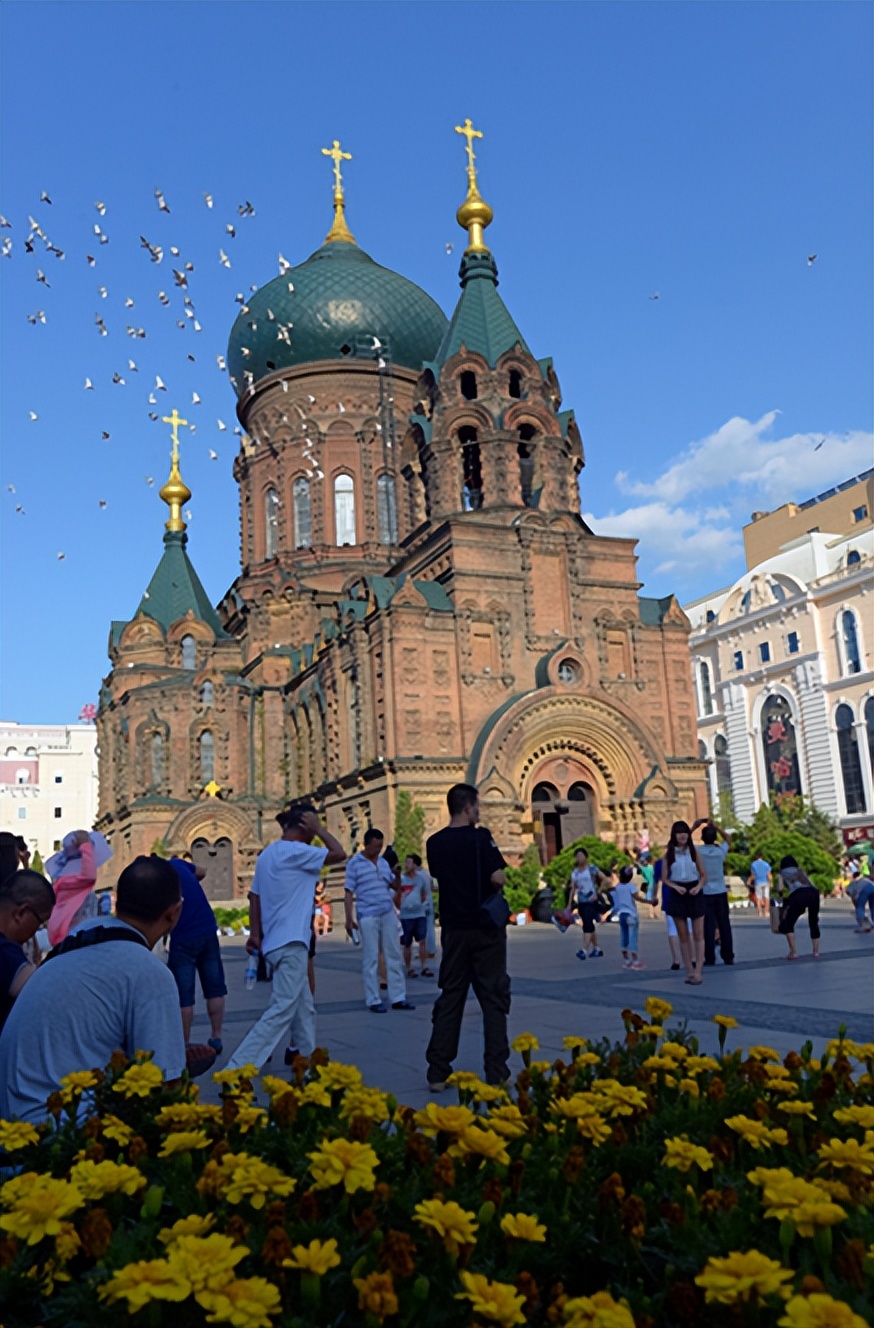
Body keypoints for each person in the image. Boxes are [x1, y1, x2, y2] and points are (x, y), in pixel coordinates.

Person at [0, 856, 198, 1122]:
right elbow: (165, 1086)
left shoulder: (77, 940)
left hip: (13, 1119)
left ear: (117, 900)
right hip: (60, 1133)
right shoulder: (149, 972)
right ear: (174, 912)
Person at [227, 804, 346, 1070]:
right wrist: (321, 830)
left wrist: (255, 935)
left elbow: (254, 896)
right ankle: (237, 1069)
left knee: (304, 1009)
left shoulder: (268, 855)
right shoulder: (296, 851)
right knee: (281, 1009)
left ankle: (308, 1063)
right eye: (312, 827)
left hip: (275, 943)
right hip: (292, 942)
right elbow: (339, 853)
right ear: (304, 826)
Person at [424, 783, 510, 1091]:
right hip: (485, 928)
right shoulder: (481, 837)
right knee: (493, 997)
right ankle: (497, 1072)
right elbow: (498, 876)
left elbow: (439, 876)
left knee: (451, 996)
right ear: (467, 807)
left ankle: (437, 1071)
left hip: (454, 928)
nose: (479, 811)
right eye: (477, 806)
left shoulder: (434, 843)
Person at [344, 829, 413, 1013]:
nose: (378, 849)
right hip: (367, 914)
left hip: (387, 911)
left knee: (394, 955)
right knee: (371, 957)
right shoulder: (354, 864)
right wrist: (348, 918)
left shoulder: (382, 863)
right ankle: (373, 998)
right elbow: (348, 892)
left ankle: (398, 997)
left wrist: (397, 875)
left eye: (380, 846)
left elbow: (395, 886)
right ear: (366, 844)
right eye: (375, 846)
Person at [167, 856, 227, 1054]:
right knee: (214, 987)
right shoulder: (178, 864)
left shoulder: (158, 880)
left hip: (183, 936)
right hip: (207, 929)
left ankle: (184, 1044)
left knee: (184, 995)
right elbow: (202, 871)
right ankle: (217, 1036)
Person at [0, 870, 56, 1033]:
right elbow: (43, 992)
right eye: (39, 923)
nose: (35, 932)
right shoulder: (6, 954)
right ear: (21, 913)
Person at [45, 830, 112, 946]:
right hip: (76, 940)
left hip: (65, 939)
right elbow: (89, 876)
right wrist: (86, 846)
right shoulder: (76, 881)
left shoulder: (63, 883)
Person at [662, 820, 707, 984]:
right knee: (683, 935)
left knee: (698, 934)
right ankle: (688, 970)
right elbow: (664, 878)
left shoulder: (694, 852)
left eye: (685, 832)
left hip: (694, 890)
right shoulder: (670, 854)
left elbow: (703, 874)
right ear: (674, 835)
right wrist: (675, 887)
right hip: (678, 892)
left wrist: (698, 887)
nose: (682, 835)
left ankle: (698, 971)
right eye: (679, 832)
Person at [694, 817, 735, 967]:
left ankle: (710, 957)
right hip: (720, 891)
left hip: (705, 892)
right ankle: (728, 955)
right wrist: (716, 826)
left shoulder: (698, 851)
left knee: (708, 926)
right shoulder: (720, 851)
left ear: (702, 838)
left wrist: (694, 826)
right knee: (724, 925)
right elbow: (729, 838)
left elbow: (683, 844)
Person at [776, 855, 821, 959]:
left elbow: (780, 888)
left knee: (789, 923)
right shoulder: (800, 871)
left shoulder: (782, 872)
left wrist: (780, 883)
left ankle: (793, 952)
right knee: (813, 922)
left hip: (798, 895)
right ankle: (816, 951)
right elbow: (811, 884)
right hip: (813, 893)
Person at [399, 855, 434, 978]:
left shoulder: (420, 879)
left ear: (414, 865)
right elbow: (396, 895)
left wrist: (421, 905)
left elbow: (424, 893)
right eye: (406, 862)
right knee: (407, 943)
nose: (406, 865)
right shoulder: (401, 879)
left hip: (419, 914)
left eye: (409, 862)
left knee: (422, 940)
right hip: (406, 916)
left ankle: (424, 966)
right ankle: (409, 968)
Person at [567, 849, 606, 960]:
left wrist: (597, 893)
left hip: (591, 901)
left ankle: (584, 949)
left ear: (586, 857)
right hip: (581, 901)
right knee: (588, 925)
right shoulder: (575, 872)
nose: (579, 858)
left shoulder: (591, 868)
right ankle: (597, 948)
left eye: (581, 855)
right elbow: (573, 888)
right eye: (577, 856)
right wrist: (569, 904)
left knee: (587, 926)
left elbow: (604, 879)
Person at [611, 865, 646, 969]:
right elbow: (637, 898)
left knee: (624, 937)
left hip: (622, 914)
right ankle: (635, 961)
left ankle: (626, 960)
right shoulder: (631, 886)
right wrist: (649, 901)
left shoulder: (618, 887)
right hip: (631, 914)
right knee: (633, 938)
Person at [748, 854, 773, 919]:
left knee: (758, 898)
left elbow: (753, 875)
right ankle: (766, 912)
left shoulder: (753, 864)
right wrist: (771, 882)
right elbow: (769, 875)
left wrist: (749, 881)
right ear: (762, 857)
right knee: (766, 897)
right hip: (766, 882)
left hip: (758, 883)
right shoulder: (766, 864)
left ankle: (759, 912)